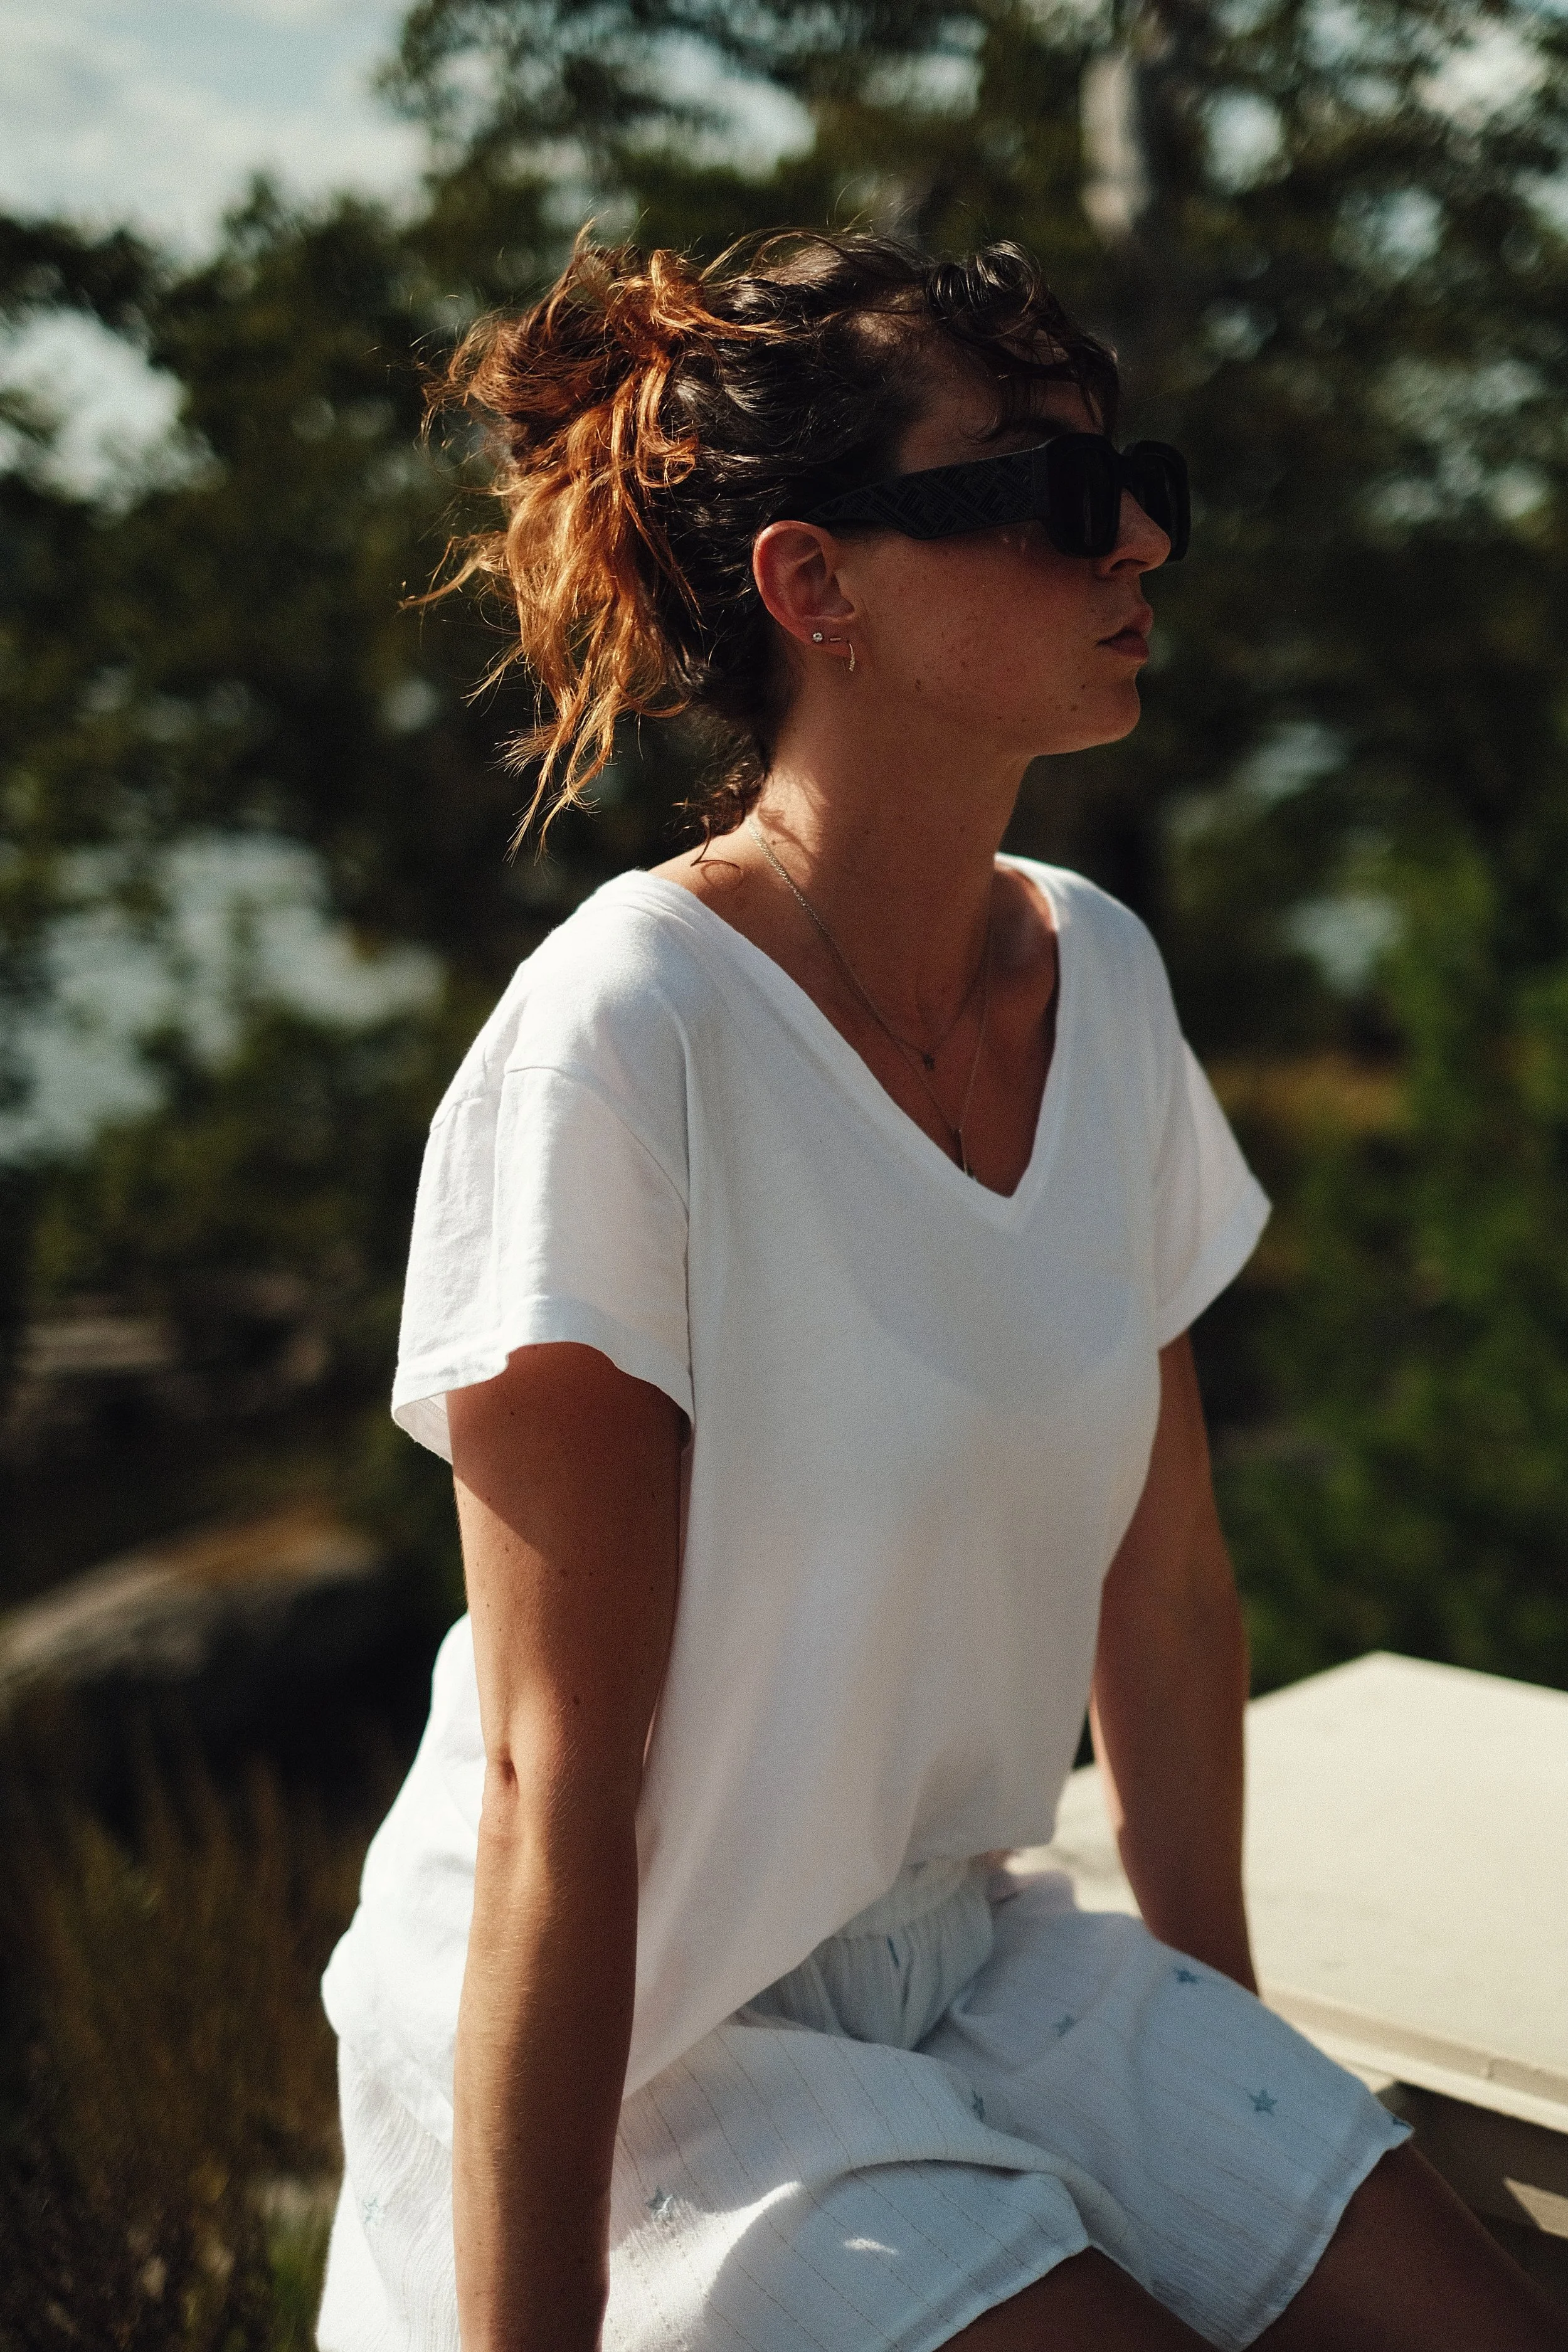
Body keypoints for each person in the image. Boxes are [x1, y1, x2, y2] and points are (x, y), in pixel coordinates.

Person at [316, 233, 1565, 2352]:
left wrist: (1220, 2064)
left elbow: (1162, 1591)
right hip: (660, 2058)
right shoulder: (631, 1040)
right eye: (1051, 492)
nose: (1139, 534)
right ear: (816, 586)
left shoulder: (1097, 973)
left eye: (1134, 473)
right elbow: (552, 1793)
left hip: (971, 1952)